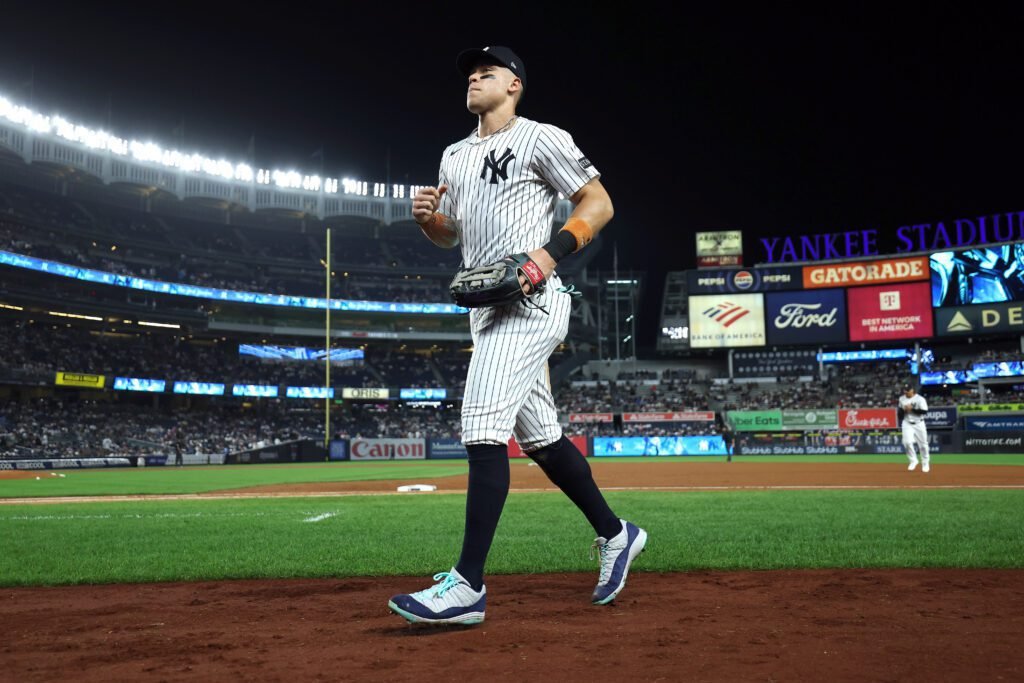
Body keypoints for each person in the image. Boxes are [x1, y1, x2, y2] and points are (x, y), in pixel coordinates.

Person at [389, 46, 647, 626]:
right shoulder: (453, 156)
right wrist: (430, 220)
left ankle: (466, 587)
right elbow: (452, 238)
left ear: (514, 85)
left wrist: (549, 255)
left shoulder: (541, 137)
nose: (475, 76)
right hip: (485, 309)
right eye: (470, 72)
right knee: (543, 442)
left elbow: (598, 202)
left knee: (481, 424)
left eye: (487, 71)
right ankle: (616, 533)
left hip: (533, 301)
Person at [898, 382, 929, 472]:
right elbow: (899, 415)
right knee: (906, 442)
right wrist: (904, 410)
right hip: (907, 423)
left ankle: (925, 462)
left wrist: (912, 409)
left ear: (912, 390)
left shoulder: (920, 399)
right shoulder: (902, 399)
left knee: (923, 445)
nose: (906, 392)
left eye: (907, 391)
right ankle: (913, 460)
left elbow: (924, 412)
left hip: (919, 423)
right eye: (905, 390)